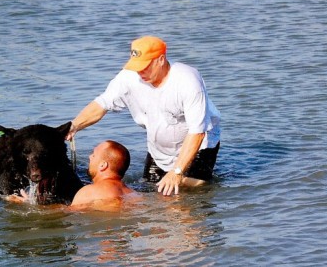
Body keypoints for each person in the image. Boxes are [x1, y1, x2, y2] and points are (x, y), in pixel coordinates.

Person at [67, 36, 221, 196]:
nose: (140, 72)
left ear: (161, 60)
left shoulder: (187, 81)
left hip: (199, 144)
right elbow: (102, 104)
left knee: (188, 195)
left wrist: (177, 172)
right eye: (136, 67)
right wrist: (74, 126)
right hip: (159, 149)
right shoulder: (129, 76)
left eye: (145, 66)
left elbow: (197, 132)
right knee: (151, 191)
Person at [70, 140, 137, 209]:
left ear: (102, 165)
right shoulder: (134, 195)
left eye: (94, 155)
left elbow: (69, 213)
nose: (89, 156)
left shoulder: (89, 192)